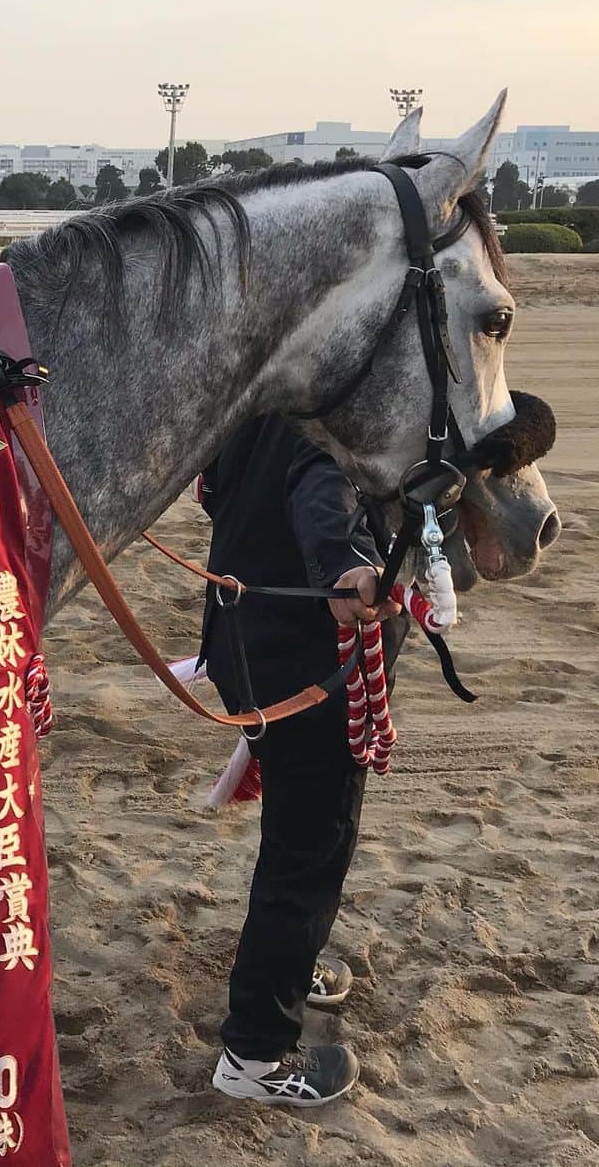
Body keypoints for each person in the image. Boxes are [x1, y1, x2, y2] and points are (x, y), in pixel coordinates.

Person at [198, 415, 407, 1107]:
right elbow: (324, 493)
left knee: (292, 840)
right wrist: (345, 564)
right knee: (308, 859)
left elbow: (217, 488)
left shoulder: (262, 407)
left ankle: (286, 971)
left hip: (247, 654)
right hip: (304, 680)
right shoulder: (325, 434)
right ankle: (256, 1056)